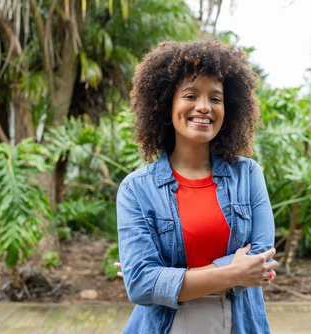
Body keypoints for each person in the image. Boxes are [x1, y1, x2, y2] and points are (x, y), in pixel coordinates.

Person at [117, 39, 278, 334]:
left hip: (239, 323)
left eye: (215, 98)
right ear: (167, 105)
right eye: (191, 95)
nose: (204, 107)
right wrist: (233, 272)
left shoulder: (248, 175)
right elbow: (140, 285)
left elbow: (261, 260)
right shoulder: (135, 190)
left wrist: (168, 279)